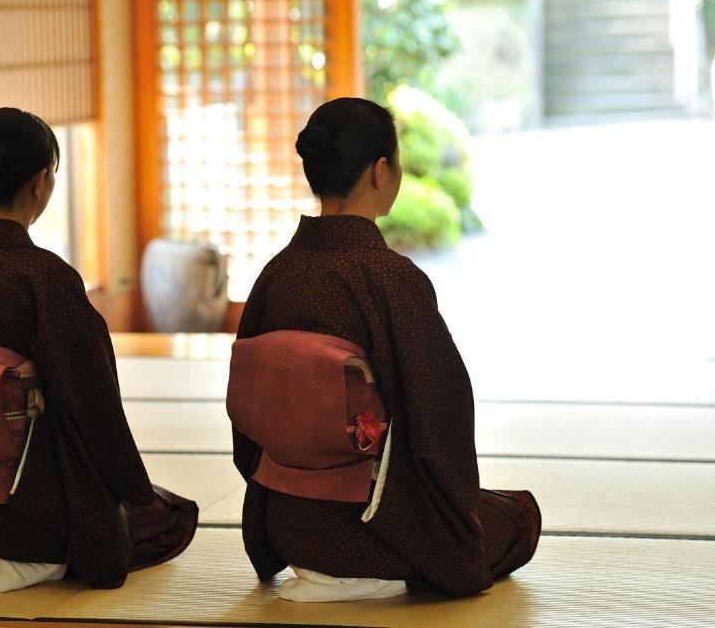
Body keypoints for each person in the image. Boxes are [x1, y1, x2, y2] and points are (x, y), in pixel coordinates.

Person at [230, 97, 540, 599]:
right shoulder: (391, 280)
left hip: (288, 528)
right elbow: (441, 422)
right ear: (380, 171)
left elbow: (250, 418)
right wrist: (454, 520)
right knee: (519, 518)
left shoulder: (275, 275)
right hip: (373, 530)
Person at [0, 107, 197, 592]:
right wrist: (136, 493)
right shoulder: (44, 277)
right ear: (42, 181)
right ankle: (37, 560)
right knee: (172, 518)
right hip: (32, 509)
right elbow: (95, 406)